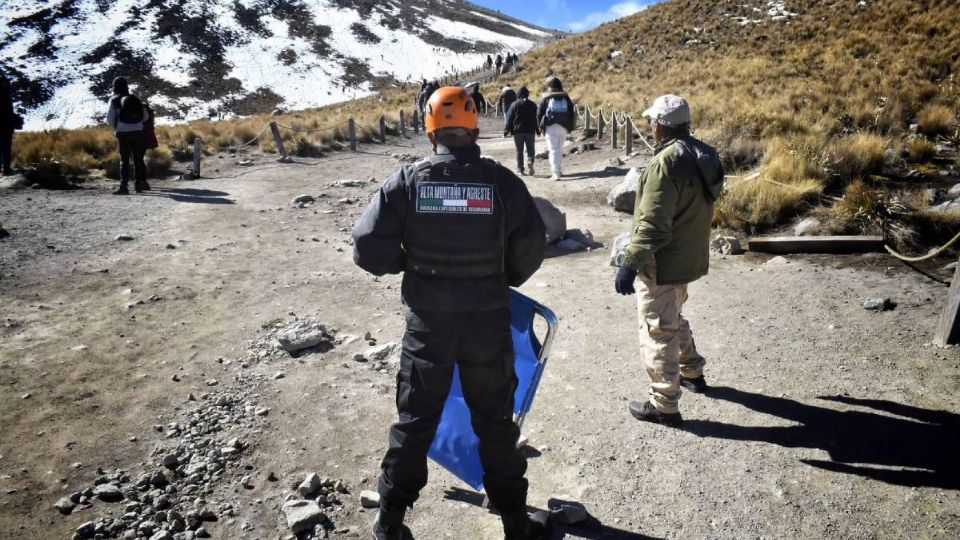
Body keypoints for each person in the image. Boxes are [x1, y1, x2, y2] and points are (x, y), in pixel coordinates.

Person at [352, 86, 549, 540]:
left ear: (431, 132)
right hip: (487, 325)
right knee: (495, 424)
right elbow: (531, 246)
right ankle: (516, 525)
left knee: (416, 422)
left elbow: (366, 248)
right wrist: (503, 277)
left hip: (428, 328)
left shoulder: (407, 181)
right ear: (474, 128)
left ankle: (389, 522)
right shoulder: (503, 183)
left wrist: (407, 263)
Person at [614, 94, 724, 427]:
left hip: (663, 261)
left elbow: (653, 225)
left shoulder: (666, 163)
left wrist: (630, 263)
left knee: (658, 329)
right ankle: (692, 371)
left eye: (652, 122)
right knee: (672, 316)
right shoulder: (704, 155)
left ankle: (664, 404)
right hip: (687, 256)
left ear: (660, 125)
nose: (649, 126)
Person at [106, 77, 150, 194]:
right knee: (138, 159)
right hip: (138, 132)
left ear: (114, 86)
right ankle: (138, 185)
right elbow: (145, 116)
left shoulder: (114, 100)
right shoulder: (134, 98)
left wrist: (118, 125)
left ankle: (124, 186)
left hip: (123, 134)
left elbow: (110, 119)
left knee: (124, 160)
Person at [536, 76, 575, 181]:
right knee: (559, 149)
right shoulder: (565, 97)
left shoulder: (547, 97)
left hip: (551, 126)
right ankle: (558, 169)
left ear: (550, 86)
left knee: (553, 150)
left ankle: (556, 173)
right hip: (563, 127)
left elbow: (539, 112)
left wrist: (541, 127)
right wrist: (570, 126)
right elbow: (571, 112)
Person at [505, 86, 539, 176]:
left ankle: (520, 170)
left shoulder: (514, 104)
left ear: (518, 94)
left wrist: (506, 130)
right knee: (530, 148)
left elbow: (509, 118)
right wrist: (537, 130)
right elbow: (536, 119)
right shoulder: (533, 105)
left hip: (518, 131)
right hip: (530, 131)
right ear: (527, 94)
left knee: (519, 151)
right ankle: (530, 160)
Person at [0, 75, 17, 176]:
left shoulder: (5, 95)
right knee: (6, 149)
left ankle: (5, 169)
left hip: (4, 126)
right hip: (6, 127)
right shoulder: (6, 95)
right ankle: (6, 169)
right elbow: (8, 112)